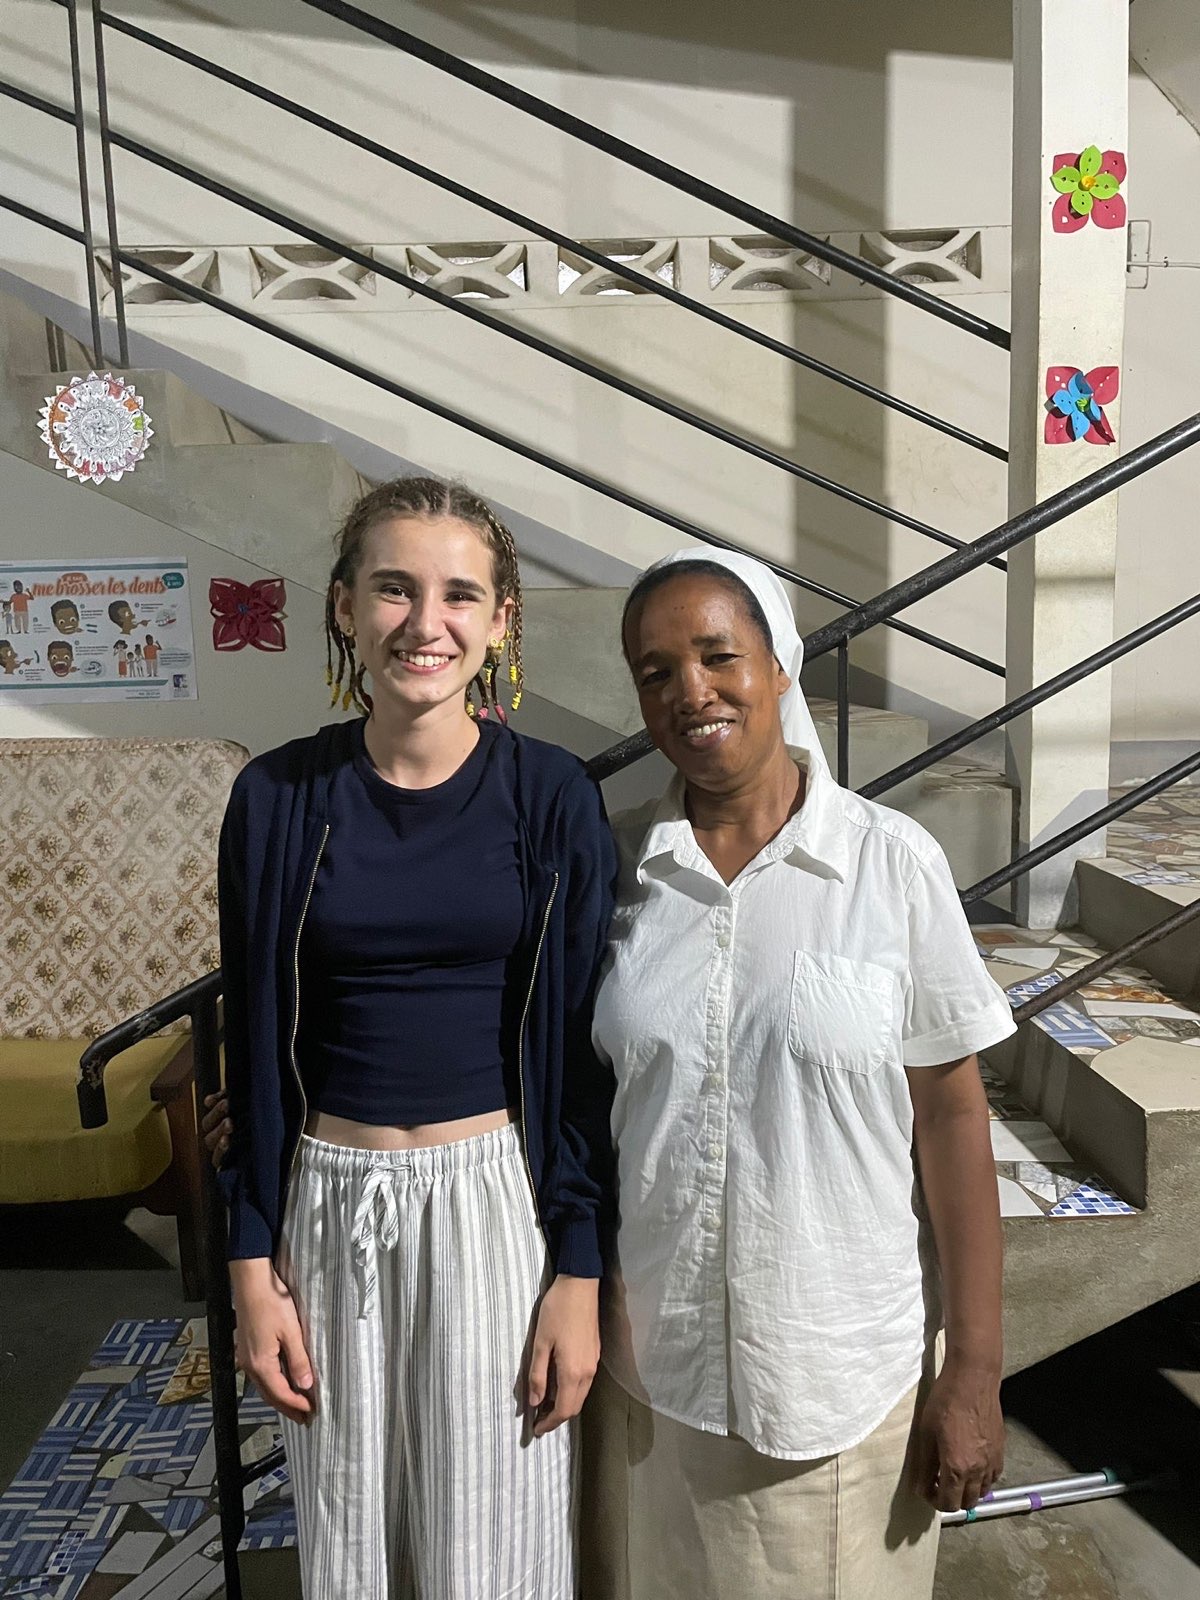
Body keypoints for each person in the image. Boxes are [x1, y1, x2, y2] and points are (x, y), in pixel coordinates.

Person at [581, 548, 1015, 1600]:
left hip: (839, 1387)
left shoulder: (889, 865)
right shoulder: (615, 871)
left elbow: (953, 1120)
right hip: (655, 1384)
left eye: (719, 656)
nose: (690, 691)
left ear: (780, 666)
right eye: (655, 672)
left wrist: (973, 1370)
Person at [213, 476, 616, 1600]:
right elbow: (253, 1042)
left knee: (492, 1552)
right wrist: (251, 1264)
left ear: (500, 622)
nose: (424, 623)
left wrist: (578, 1269)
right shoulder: (276, 798)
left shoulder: (551, 797)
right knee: (350, 1546)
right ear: (345, 607)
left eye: (458, 594)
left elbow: (581, 1058)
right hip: (327, 1205)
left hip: (493, 1204)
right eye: (393, 589)